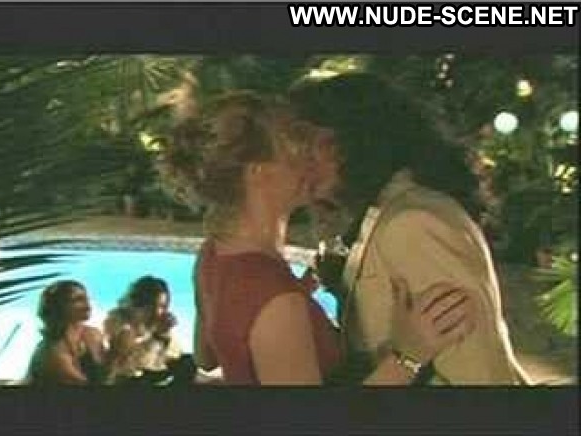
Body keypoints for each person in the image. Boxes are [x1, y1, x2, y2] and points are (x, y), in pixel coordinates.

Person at [163, 90, 476, 385]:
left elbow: (207, 356)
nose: (307, 161)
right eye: (292, 147)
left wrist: (301, 299)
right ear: (258, 173)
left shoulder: (212, 255)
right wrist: (409, 355)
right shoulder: (277, 298)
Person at [290, 73, 532, 385]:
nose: (298, 160)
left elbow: (477, 370)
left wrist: (407, 356)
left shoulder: (413, 222)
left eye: (310, 144)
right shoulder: (385, 213)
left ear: (357, 141)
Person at [104, 275, 194, 386]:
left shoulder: (155, 324)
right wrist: (157, 336)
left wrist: (165, 337)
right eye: (154, 306)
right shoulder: (119, 323)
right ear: (139, 303)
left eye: (163, 306)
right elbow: (131, 366)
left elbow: (173, 356)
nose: (158, 312)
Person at [26, 280, 110, 385]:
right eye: (78, 300)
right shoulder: (51, 351)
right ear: (59, 305)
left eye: (87, 299)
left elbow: (106, 371)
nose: (88, 306)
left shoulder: (92, 334)